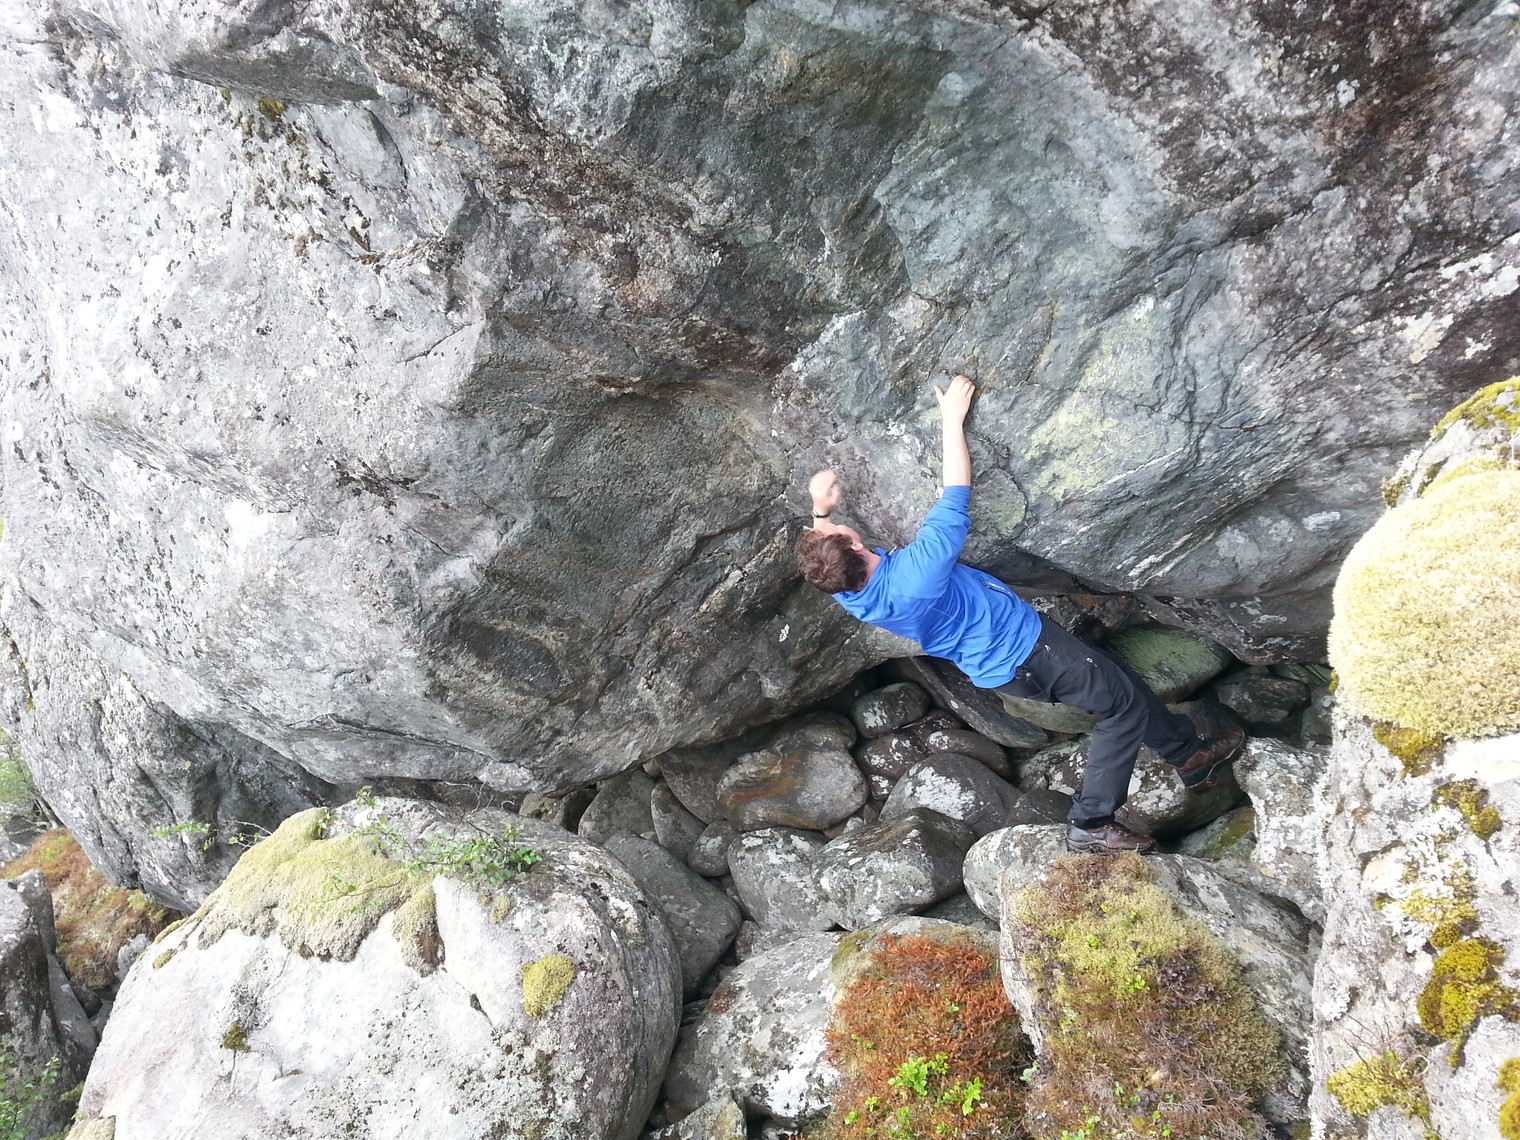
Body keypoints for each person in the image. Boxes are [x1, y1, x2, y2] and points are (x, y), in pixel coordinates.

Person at [795, 373, 1244, 854]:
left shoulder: (850, 590)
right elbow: (955, 492)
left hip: (1005, 666)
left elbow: (827, 556)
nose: (831, 525)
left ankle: (1190, 756)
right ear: (854, 547)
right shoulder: (918, 572)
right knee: (1120, 710)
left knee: (1118, 681)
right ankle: (1092, 822)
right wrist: (951, 421)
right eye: (833, 530)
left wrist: (820, 511)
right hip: (1032, 652)